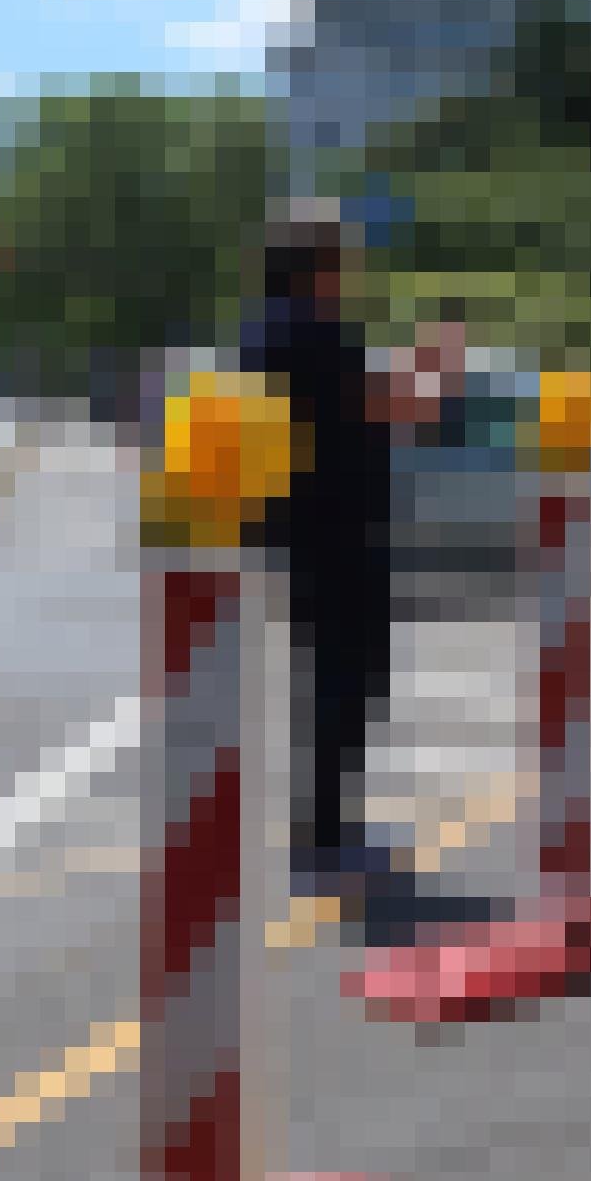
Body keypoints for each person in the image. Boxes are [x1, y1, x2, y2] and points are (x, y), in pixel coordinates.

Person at [237, 199, 427, 896]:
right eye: (344, 256)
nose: (352, 269)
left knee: (326, 680)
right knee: (348, 682)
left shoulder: (258, 333)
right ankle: (328, 840)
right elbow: (394, 408)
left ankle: (322, 832)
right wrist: (434, 369)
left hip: (293, 524)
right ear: (319, 262)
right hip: (340, 524)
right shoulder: (323, 334)